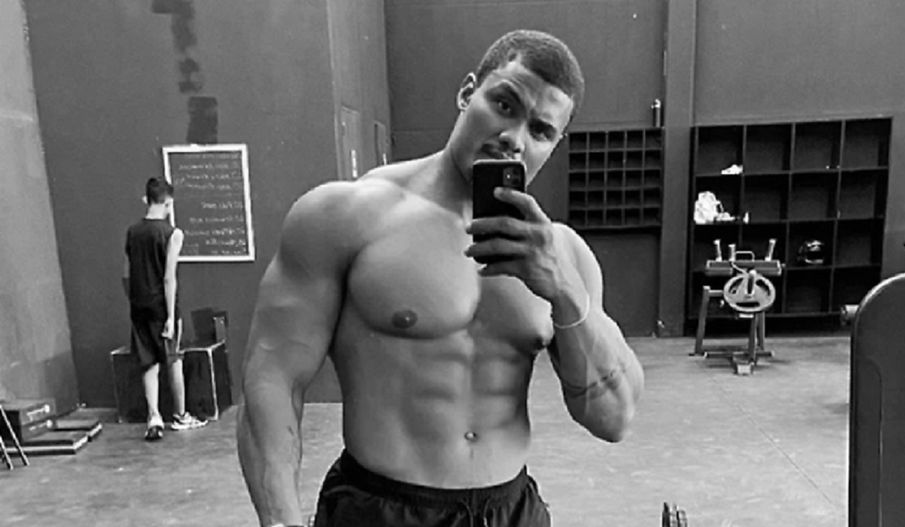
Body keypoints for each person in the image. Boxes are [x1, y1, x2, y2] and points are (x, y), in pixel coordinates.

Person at [237, 29, 645, 527]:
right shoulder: (344, 216)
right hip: (381, 510)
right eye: (504, 104)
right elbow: (273, 379)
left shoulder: (565, 255)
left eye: (540, 131)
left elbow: (614, 419)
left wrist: (565, 291)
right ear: (467, 92)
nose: (513, 138)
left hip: (510, 511)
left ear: (554, 145)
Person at [123, 177, 207, 441]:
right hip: (162, 307)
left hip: (139, 306)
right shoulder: (173, 234)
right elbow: (169, 278)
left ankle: (154, 416)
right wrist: (171, 316)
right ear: (168, 203)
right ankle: (180, 416)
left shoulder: (132, 232)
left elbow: (126, 274)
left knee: (148, 363)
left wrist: (134, 300)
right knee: (173, 359)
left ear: (146, 200)